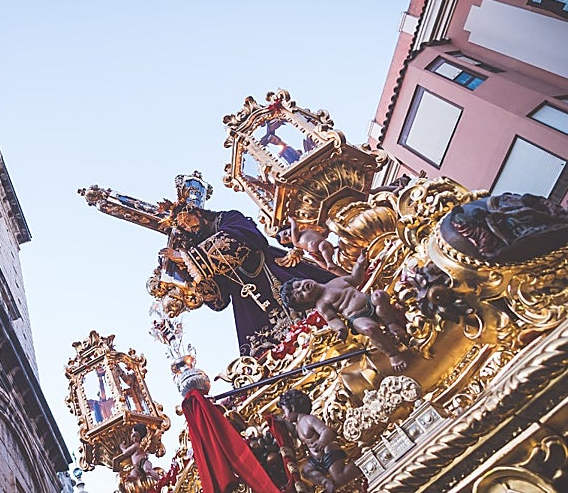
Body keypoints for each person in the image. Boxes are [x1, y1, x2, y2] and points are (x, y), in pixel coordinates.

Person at [160, 205, 334, 354]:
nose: (188, 227)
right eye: (183, 226)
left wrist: (190, 258)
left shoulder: (228, 217)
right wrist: (187, 272)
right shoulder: (194, 251)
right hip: (245, 296)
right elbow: (219, 300)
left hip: (270, 268)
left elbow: (247, 238)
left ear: (198, 213)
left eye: (188, 220)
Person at [279, 256, 411, 372]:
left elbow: (356, 279)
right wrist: (340, 329)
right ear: (308, 303)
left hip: (369, 301)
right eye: (301, 294)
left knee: (379, 295)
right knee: (369, 328)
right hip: (357, 317)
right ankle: (393, 354)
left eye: (298, 284)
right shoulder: (322, 304)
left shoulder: (335, 282)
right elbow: (332, 319)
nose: (302, 288)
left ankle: (390, 324)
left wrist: (359, 264)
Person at [277, 389, 363, 493]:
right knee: (306, 470)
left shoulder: (309, 419)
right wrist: (278, 421)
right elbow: (291, 429)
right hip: (317, 458)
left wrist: (321, 442)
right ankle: (326, 483)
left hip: (328, 451)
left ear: (292, 408)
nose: (284, 415)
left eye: (284, 411)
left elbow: (326, 431)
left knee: (340, 477)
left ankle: (362, 464)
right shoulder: (298, 426)